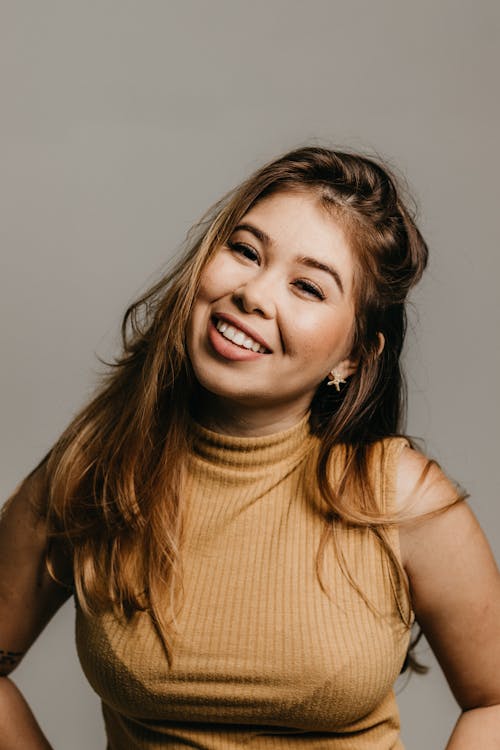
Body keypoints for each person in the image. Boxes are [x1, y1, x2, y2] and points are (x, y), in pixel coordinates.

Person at [1, 146, 499, 750]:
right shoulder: (96, 467)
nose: (255, 294)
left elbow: (492, 701)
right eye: (245, 251)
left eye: (309, 287)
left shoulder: (401, 497)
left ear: (353, 356)